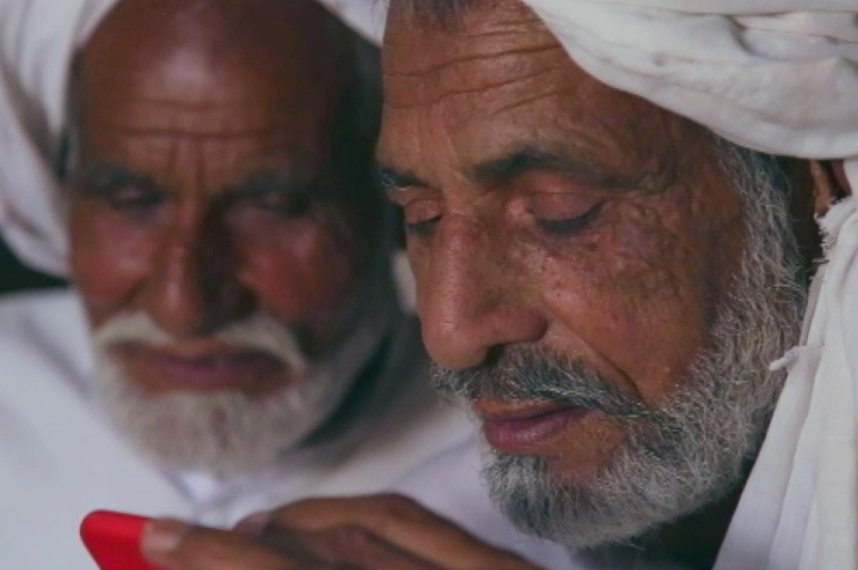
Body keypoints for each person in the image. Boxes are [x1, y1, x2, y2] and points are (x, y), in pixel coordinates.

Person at [133, 1, 858, 570]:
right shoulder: (426, 532)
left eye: (558, 216)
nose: (449, 332)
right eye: (420, 217)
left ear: (820, 180)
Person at [0, 1, 491, 568]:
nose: (183, 307)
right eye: (131, 203)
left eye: (275, 206)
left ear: (390, 205)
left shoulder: (543, 451)